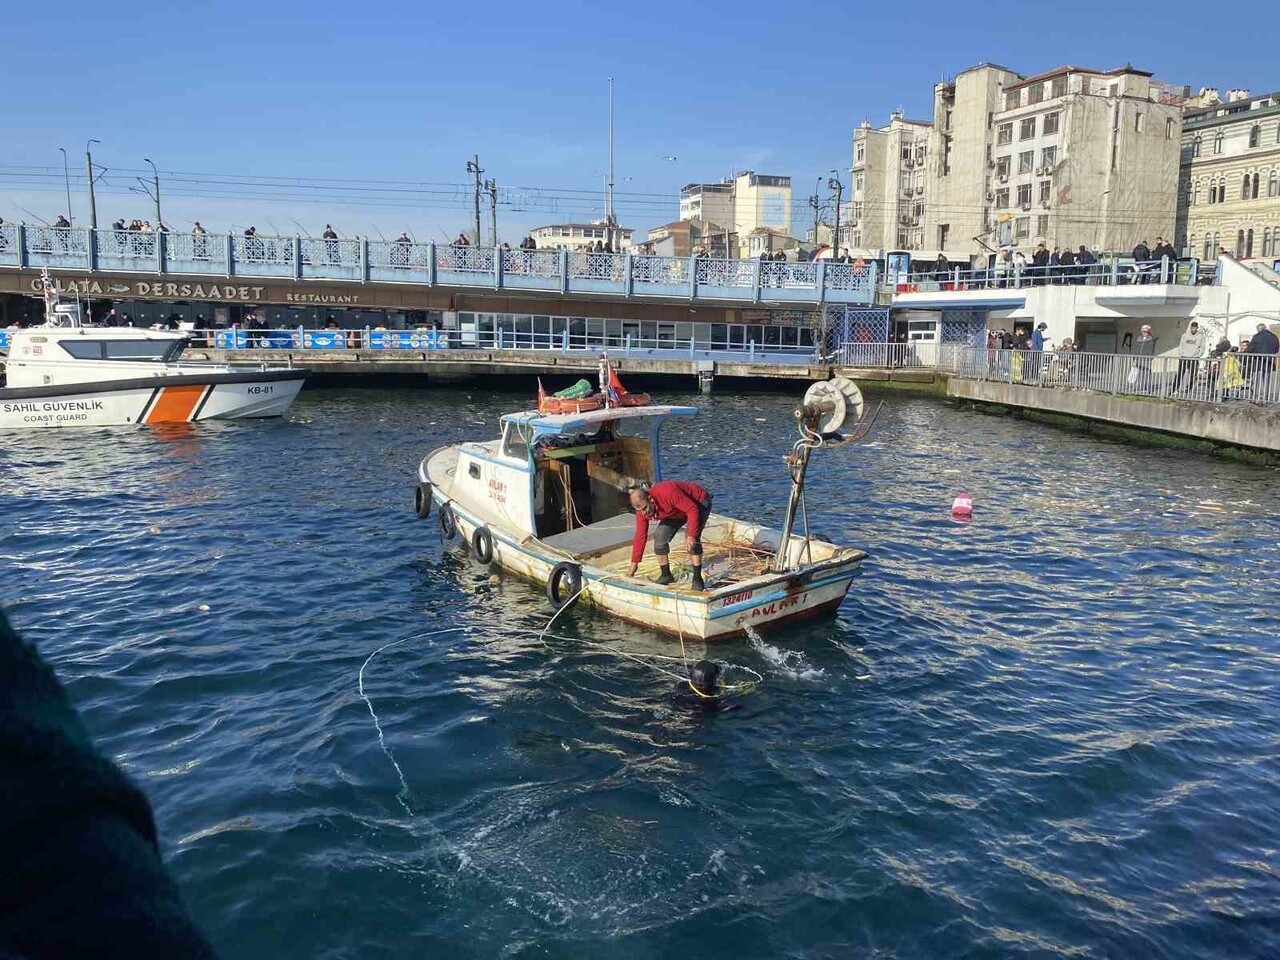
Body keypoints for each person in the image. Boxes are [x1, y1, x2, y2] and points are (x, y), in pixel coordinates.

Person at [627, 481, 712, 591]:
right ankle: (666, 575)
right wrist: (634, 565)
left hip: (698, 503)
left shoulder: (667, 493)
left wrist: (691, 535)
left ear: (650, 499)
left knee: (691, 539)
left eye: (645, 508)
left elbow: (692, 509)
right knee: (659, 537)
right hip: (675, 511)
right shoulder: (642, 512)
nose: (643, 513)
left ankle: (697, 578)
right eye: (639, 511)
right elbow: (640, 536)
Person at [1171, 320, 1206, 395]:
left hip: (1194, 358)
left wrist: (1198, 355)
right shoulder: (1185, 335)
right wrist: (1181, 353)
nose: (1193, 329)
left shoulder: (1200, 336)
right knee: (1180, 373)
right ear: (1190, 328)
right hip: (1184, 357)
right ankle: (1175, 389)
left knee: (1193, 374)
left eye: (1195, 328)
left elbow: (1202, 347)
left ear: (1197, 328)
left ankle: (1189, 388)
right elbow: (1181, 345)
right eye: (1192, 328)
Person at [1247, 322, 1278, 396]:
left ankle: (1256, 397)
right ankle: (1265, 397)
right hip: (1269, 361)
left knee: (1257, 380)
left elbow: (1250, 349)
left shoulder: (1257, 336)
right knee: (1267, 381)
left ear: (1259, 329)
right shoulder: (1274, 337)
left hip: (1258, 361)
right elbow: (1276, 349)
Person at [1134, 324, 1157, 391]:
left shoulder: (1151, 338)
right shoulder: (1139, 338)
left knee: (1147, 373)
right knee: (1141, 373)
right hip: (1139, 358)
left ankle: (1148, 387)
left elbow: (1155, 339)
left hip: (1147, 358)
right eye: (1143, 331)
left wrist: (1151, 356)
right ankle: (1141, 386)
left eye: (1146, 331)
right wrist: (1135, 357)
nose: (1144, 332)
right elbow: (1136, 348)